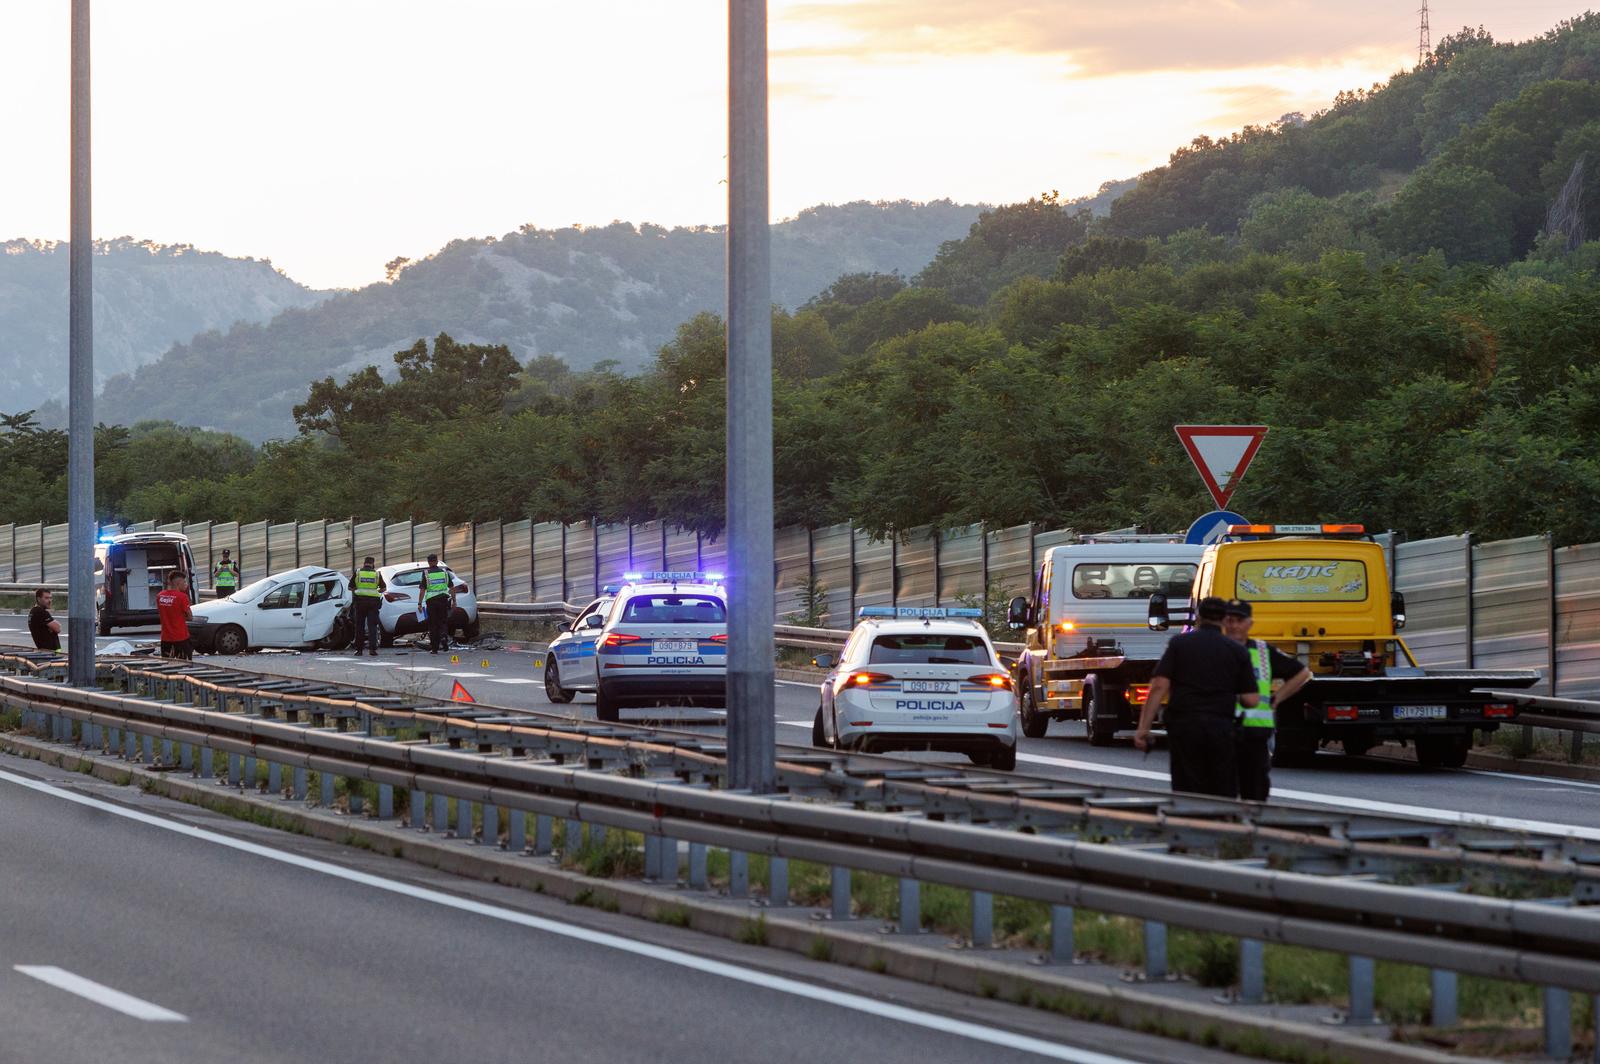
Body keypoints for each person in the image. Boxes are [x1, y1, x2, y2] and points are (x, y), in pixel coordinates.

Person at [1133, 596, 1260, 797]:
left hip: (1185, 726)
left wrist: (1143, 728)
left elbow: (1159, 686)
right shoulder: (1237, 651)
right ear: (1225, 619)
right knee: (1221, 786)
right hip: (1221, 727)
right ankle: (1219, 823)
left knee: (1187, 785)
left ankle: (1189, 823)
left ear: (1198, 617)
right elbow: (1251, 700)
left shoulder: (1179, 644)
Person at [1223, 599, 1312, 801]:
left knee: (1256, 789)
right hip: (1222, 728)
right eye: (1230, 620)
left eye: (1239, 620)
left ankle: (1252, 828)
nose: (1234, 625)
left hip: (1255, 730)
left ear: (1250, 623)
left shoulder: (1263, 651)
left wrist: (1276, 699)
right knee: (1224, 789)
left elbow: (1302, 673)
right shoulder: (1216, 649)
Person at [351, 556, 385, 656]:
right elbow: (383, 588)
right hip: (373, 603)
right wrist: (375, 591)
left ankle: (359, 650)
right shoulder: (377, 574)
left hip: (360, 602)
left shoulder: (358, 573)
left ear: (364, 563)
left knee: (359, 627)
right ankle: (372, 650)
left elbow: (350, 587)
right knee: (372, 627)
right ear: (373, 564)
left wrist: (359, 591)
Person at [420, 554, 454, 654]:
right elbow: (452, 588)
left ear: (428, 562)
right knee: (443, 621)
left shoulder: (426, 573)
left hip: (431, 601)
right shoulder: (444, 572)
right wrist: (454, 601)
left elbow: (422, 590)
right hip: (443, 600)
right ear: (437, 561)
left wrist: (419, 603)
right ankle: (444, 637)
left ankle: (434, 648)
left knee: (433, 624)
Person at [157, 571, 194, 660]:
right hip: (181, 638)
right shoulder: (182, 597)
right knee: (185, 665)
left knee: (167, 665)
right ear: (178, 583)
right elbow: (190, 617)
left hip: (165, 638)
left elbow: (164, 613)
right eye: (184, 582)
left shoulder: (160, 596)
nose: (186, 584)